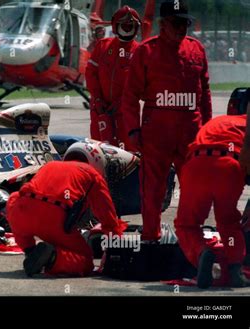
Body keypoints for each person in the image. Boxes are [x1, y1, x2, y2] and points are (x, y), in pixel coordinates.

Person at [120, 0, 212, 241]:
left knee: (194, 189)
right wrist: (132, 131)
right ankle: (151, 236)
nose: (182, 28)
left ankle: (189, 236)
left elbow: (205, 94)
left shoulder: (196, 49)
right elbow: (129, 96)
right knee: (152, 190)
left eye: (185, 23)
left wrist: (208, 131)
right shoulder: (146, 51)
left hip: (191, 135)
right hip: (156, 136)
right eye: (176, 23)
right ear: (162, 24)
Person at [6, 142, 128, 277]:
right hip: (52, 216)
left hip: (20, 210)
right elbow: (105, 212)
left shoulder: (50, 165)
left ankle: (30, 251)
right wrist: (116, 238)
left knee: (15, 200)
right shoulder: (92, 174)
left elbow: (32, 195)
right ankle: (52, 258)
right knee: (85, 260)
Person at [174, 115, 250, 288]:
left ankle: (201, 253)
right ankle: (235, 269)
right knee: (228, 222)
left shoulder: (220, 121)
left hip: (195, 165)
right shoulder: (247, 126)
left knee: (187, 225)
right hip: (228, 166)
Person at [85, 6, 141, 151]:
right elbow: (91, 73)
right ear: (116, 26)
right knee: (99, 148)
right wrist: (97, 98)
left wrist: (122, 102)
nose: (128, 28)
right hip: (100, 110)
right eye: (125, 25)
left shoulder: (139, 52)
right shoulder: (103, 46)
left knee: (129, 150)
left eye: (131, 25)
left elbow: (139, 84)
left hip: (125, 113)